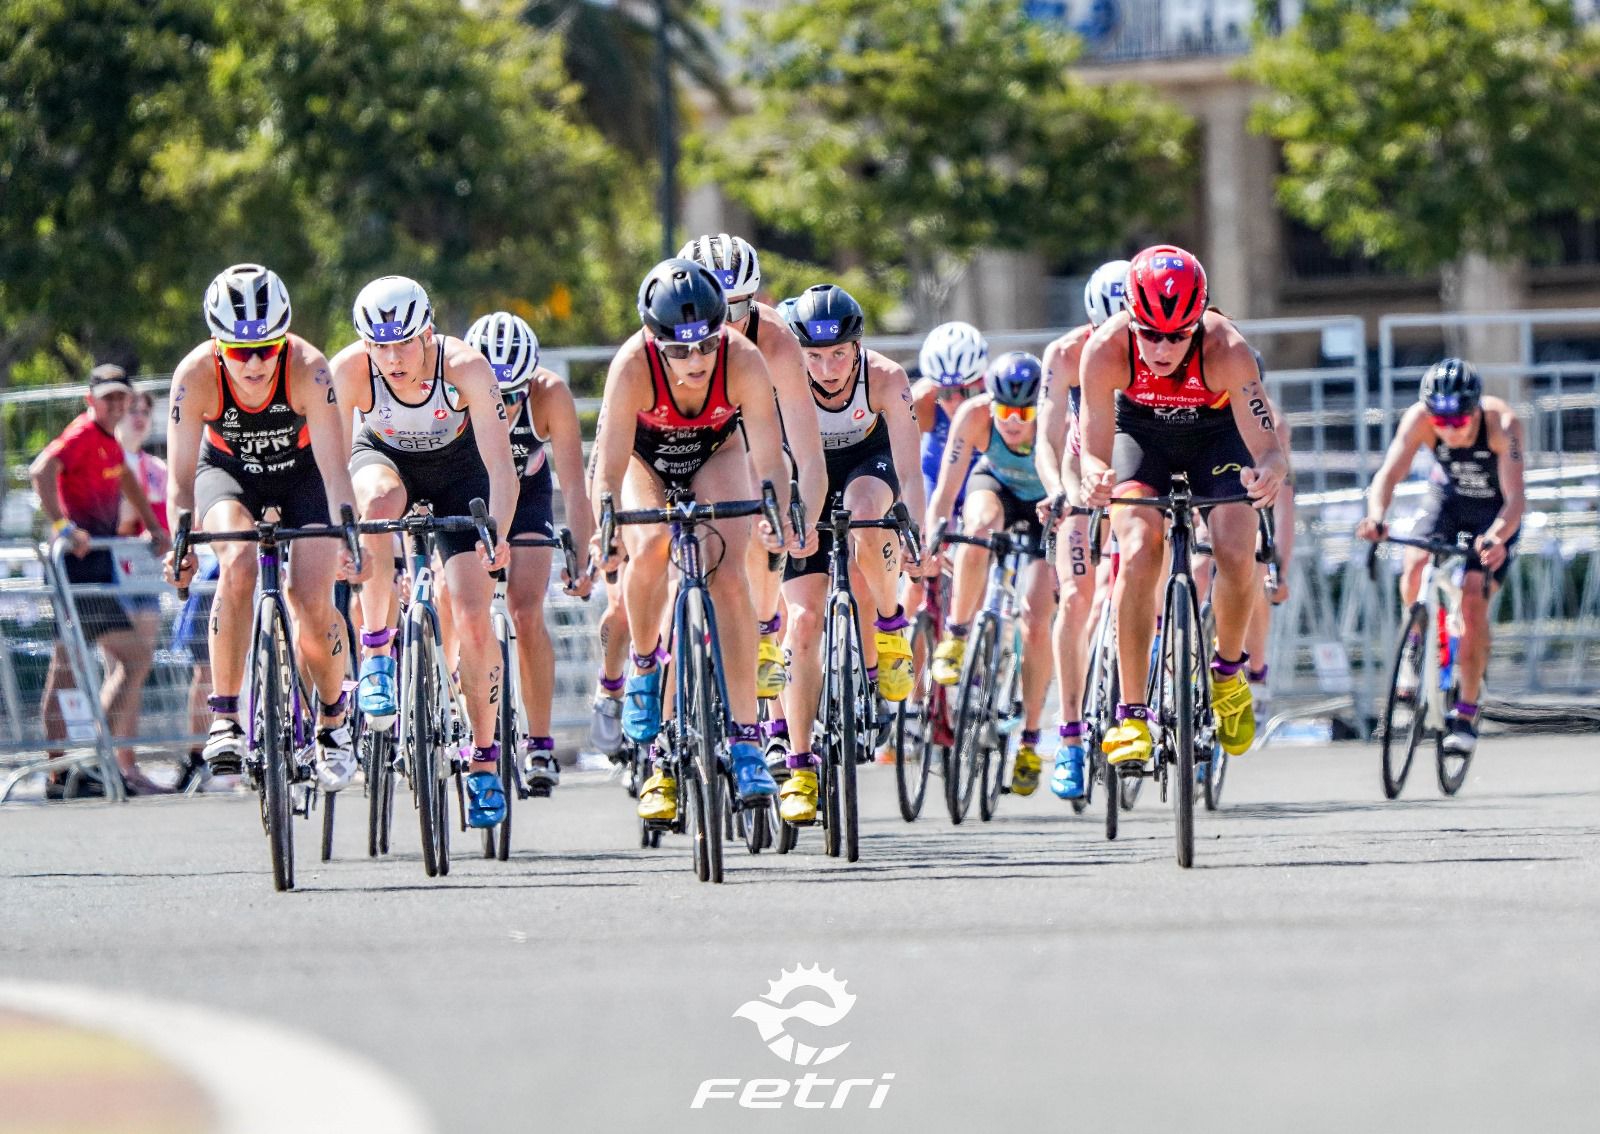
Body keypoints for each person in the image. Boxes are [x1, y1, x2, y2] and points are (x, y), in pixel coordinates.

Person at [588, 258, 791, 822]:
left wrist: (775, 510)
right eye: (679, 351)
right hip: (646, 460)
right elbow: (607, 468)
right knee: (650, 543)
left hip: (715, 454)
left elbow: (769, 457)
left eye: (705, 345)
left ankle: (747, 738)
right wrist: (605, 524)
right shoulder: (632, 365)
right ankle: (647, 667)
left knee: (729, 574)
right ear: (654, 340)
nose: (696, 361)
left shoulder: (743, 359)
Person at [1079, 245, 1288, 768]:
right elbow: (1096, 444)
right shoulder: (1105, 349)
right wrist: (1093, 475)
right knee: (1137, 547)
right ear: (1130, 317)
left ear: (1200, 321)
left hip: (1215, 439)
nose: (1163, 347)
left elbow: (1266, 442)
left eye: (1179, 334)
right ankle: (1132, 713)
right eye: (1150, 333)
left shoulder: (1228, 348)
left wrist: (1270, 468)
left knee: (1237, 549)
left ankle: (1227, 673)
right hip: (1141, 436)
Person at [165, 265, 365, 792]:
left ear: (283, 341)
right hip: (228, 474)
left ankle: (332, 720)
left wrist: (349, 535)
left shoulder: (309, 369)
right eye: (238, 351)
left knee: (311, 598)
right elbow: (181, 483)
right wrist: (179, 545)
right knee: (237, 563)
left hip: (304, 478)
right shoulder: (193, 377)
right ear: (217, 345)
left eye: (266, 349)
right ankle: (226, 716)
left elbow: (335, 470)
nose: (254, 362)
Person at [331, 275, 517, 828]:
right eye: (379, 346)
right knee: (380, 499)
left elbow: (501, 465)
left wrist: (499, 532)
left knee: (472, 614)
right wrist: (345, 537)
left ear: (428, 334)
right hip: (383, 461)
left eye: (404, 343)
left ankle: (484, 762)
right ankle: (378, 653)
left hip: (460, 471)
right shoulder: (349, 371)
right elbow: (334, 472)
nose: (392, 358)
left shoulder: (465, 368)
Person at [774, 285, 925, 823]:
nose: (829, 368)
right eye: (814, 357)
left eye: (840, 353)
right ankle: (798, 766)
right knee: (804, 621)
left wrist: (915, 530)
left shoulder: (884, 378)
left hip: (869, 466)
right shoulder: (780, 380)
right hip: (805, 477)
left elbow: (909, 469)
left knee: (866, 513)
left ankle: (889, 626)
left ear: (858, 347)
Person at [679, 234, 825, 708]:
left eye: (738, 307)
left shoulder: (775, 338)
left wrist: (800, 517)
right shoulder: (663, 333)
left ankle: (763, 629)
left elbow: (807, 451)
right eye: (713, 308)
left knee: (771, 501)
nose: (726, 324)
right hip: (677, 442)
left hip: (742, 441)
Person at [1356, 358, 1524, 755]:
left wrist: (1497, 538)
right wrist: (1377, 516)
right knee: (1414, 561)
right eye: (1441, 423)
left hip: (1493, 513)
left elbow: (1516, 499)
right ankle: (1417, 644)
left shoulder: (1502, 424)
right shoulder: (1419, 418)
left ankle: (1466, 712)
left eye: (1459, 421)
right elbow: (1388, 475)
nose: (1450, 430)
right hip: (1447, 501)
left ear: (1475, 409)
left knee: (1471, 599)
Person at [464, 311, 593, 794]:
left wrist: (581, 555)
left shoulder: (550, 394)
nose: (507, 405)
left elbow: (575, 488)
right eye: (496, 396)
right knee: (461, 602)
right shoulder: (454, 388)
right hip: (471, 491)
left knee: (525, 607)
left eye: (515, 394)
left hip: (528, 491)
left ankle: (539, 741)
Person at [31, 364, 170, 795]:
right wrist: (63, 528)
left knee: (106, 661)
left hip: (96, 569)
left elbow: (126, 478)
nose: (114, 405)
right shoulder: (81, 435)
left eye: (120, 397)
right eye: (106, 397)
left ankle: (86, 761)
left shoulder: (110, 445)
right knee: (77, 663)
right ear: (90, 401)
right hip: (76, 567)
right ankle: (65, 769)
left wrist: (154, 527)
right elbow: (40, 471)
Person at [925, 352, 1057, 795]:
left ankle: (1031, 741)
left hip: (1047, 504)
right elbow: (945, 491)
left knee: (1037, 620)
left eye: (1024, 413)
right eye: (1005, 410)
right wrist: (936, 535)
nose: (1013, 421)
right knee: (977, 526)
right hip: (996, 485)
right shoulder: (974, 415)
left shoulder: (1058, 421)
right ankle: (958, 636)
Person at [1034, 259, 1129, 798]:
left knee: (1131, 588)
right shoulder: (1067, 353)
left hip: (1133, 470)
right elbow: (1047, 435)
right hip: (1079, 468)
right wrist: (1057, 489)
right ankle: (1070, 735)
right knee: (1075, 601)